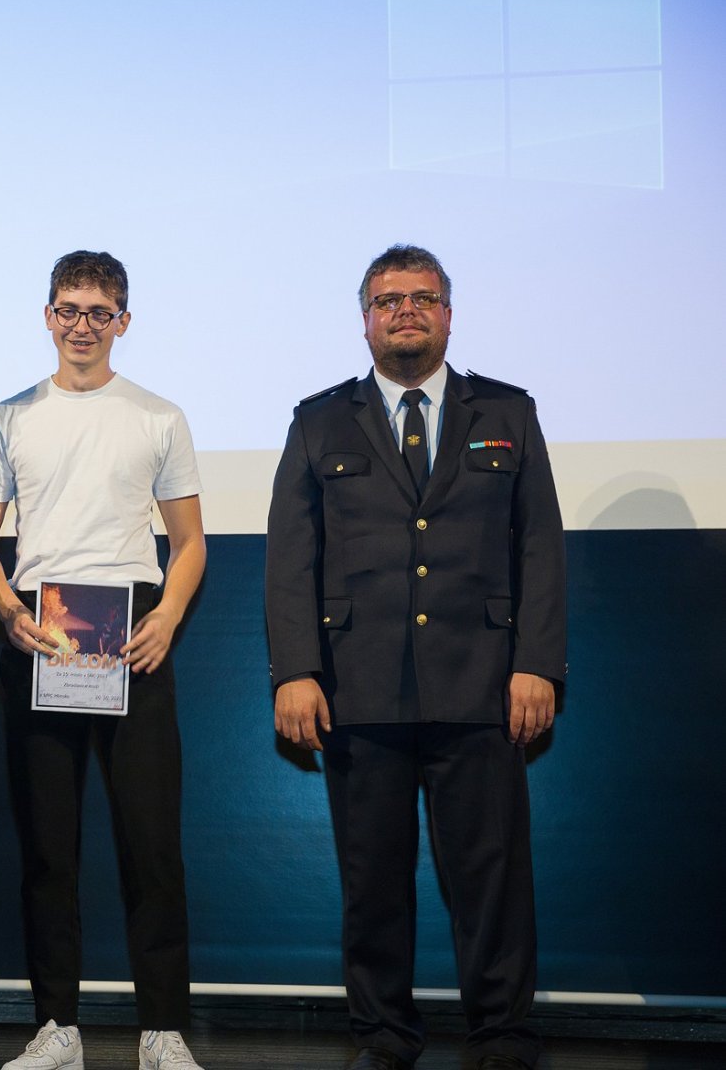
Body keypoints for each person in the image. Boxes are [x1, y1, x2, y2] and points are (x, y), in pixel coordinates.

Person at [265, 245, 567, 1070]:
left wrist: (537, 663)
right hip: (358, 689)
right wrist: (296, 670)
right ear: (364, 319)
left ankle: (502, 1037)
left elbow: (539, 545)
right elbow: (291, 558)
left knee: (492, 881)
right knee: (372, 883)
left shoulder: (507, 413)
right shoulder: (318, 420)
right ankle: (384, 1037)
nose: (406, 311)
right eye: (388, 299)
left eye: (423, 298)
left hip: (484, 687)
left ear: (448, 315)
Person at [0, 251, 210, 1070]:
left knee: (151, 844)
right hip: (42, 632)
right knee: (48, 846)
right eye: (68, 309)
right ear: (47, 316)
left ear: (123, 322)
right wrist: (9, 611)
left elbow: (189, 540)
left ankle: (162, 1031)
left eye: (99, 312)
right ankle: (56, 1028)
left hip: (133, 635)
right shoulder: (8, 417)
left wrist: (167, 617)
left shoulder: (158, 416)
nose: (82, 326)